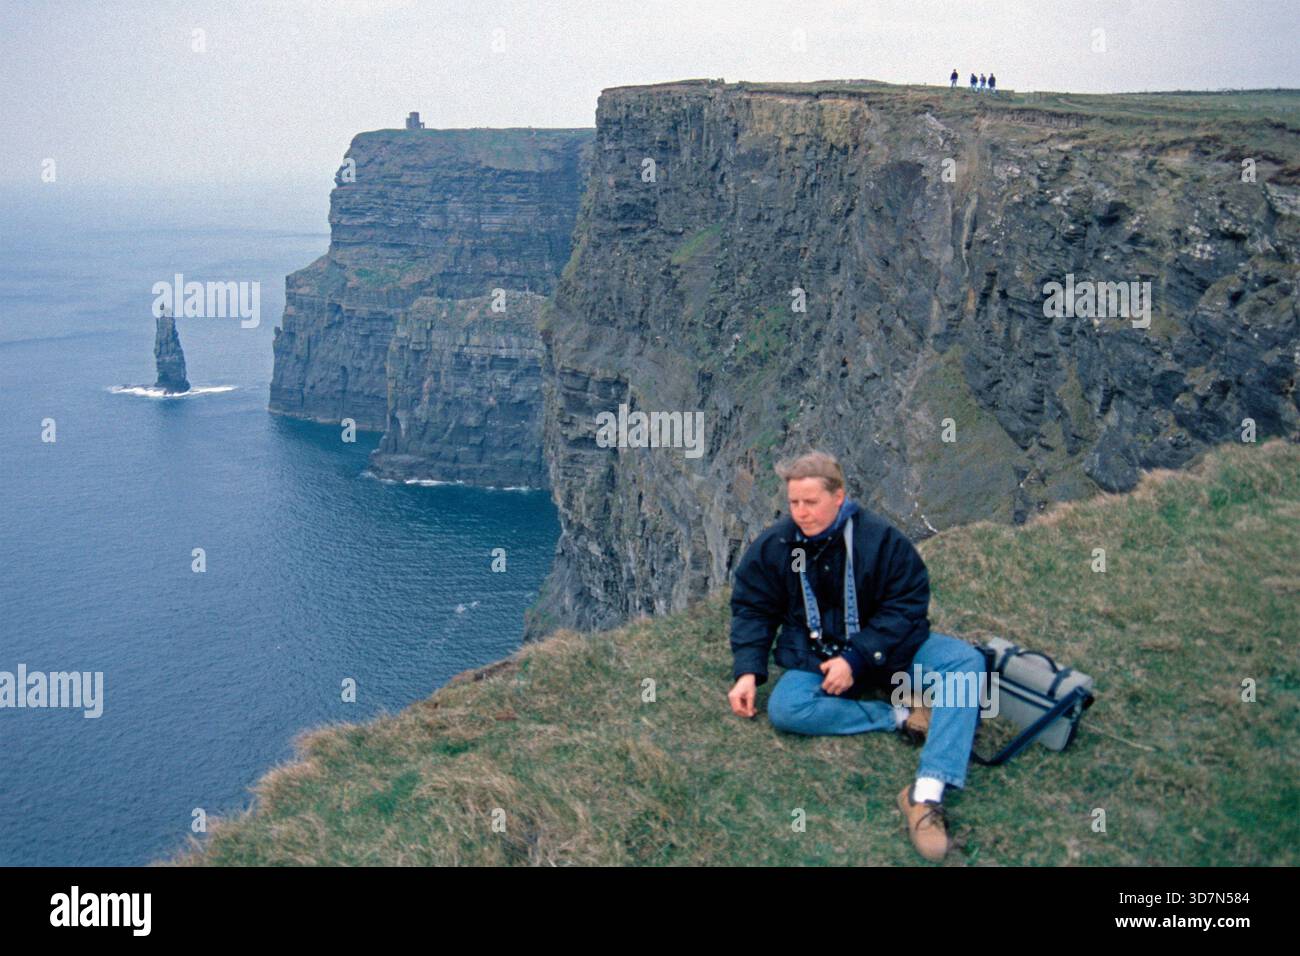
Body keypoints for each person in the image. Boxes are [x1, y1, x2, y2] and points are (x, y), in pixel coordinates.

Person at [727, 450, 986, 862]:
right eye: (794, 503)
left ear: (839, 496)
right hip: (815, 655)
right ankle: (901, 717)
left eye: (810, 502)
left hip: (887, 654)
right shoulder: (777, 543)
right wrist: (747, 672)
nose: (801, 512)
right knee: (787, 709)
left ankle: (926, 792)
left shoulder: (880, 540)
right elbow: (753, 606)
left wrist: (858, 659)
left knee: (967, 663)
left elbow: (907, 604)